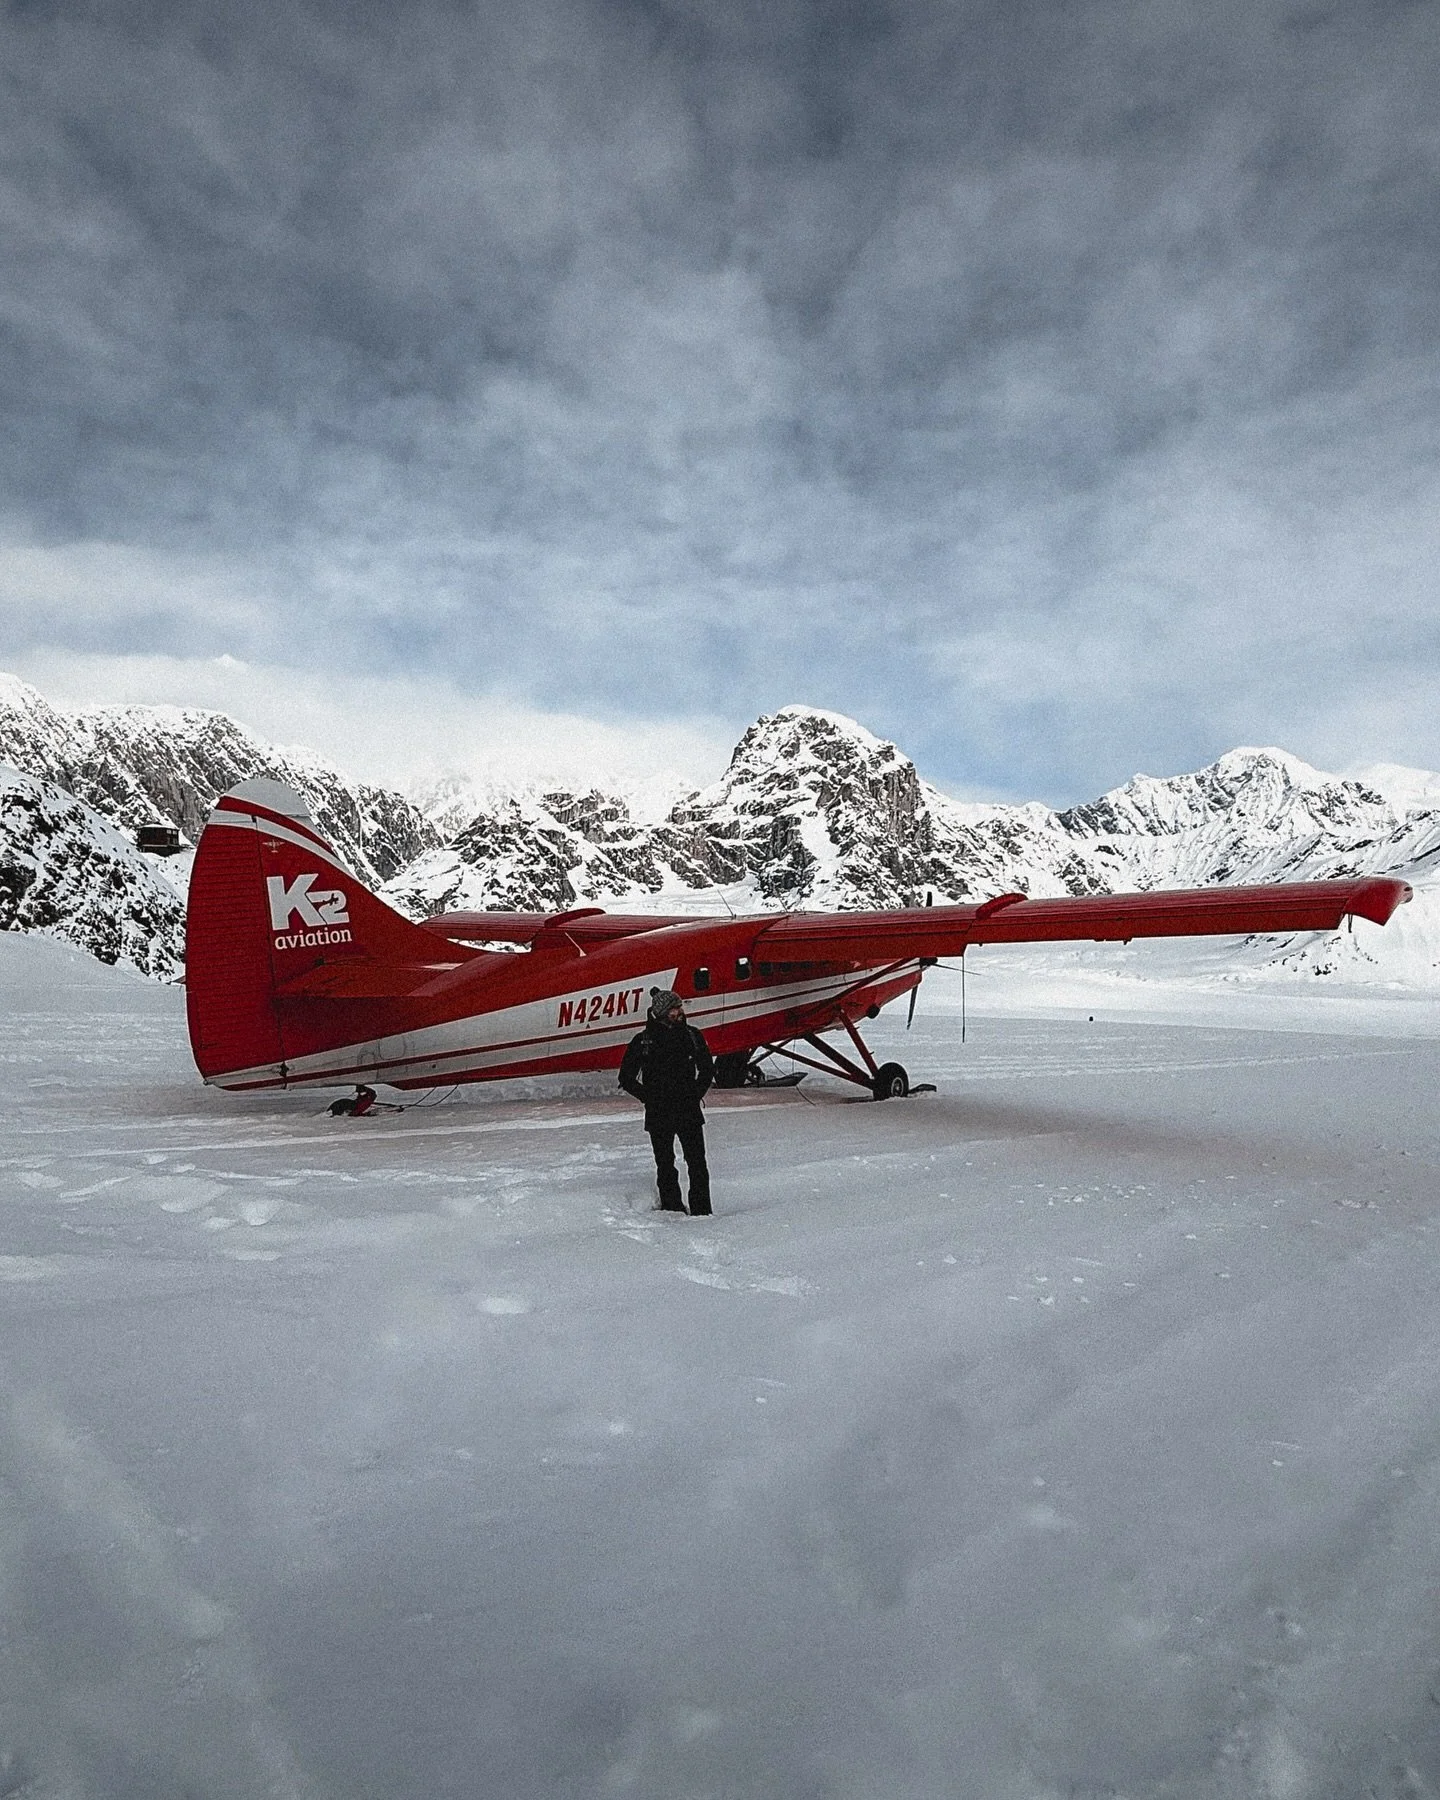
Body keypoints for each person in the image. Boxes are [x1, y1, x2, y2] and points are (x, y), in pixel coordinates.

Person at [618, 988, 715, 1215]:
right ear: (661, 1012)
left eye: (680, 1007)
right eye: (674, 1008)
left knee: (697, 1164)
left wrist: (696, 1092)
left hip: (688, 1110)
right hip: (659, 1113)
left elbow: (707, 1068)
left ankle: (702, 1211)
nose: (679, 1012)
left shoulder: (692, 1035)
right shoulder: (642, 1041)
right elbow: (626, 1078)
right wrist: (649, 1098)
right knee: (665, 1164)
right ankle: (672, 1208)